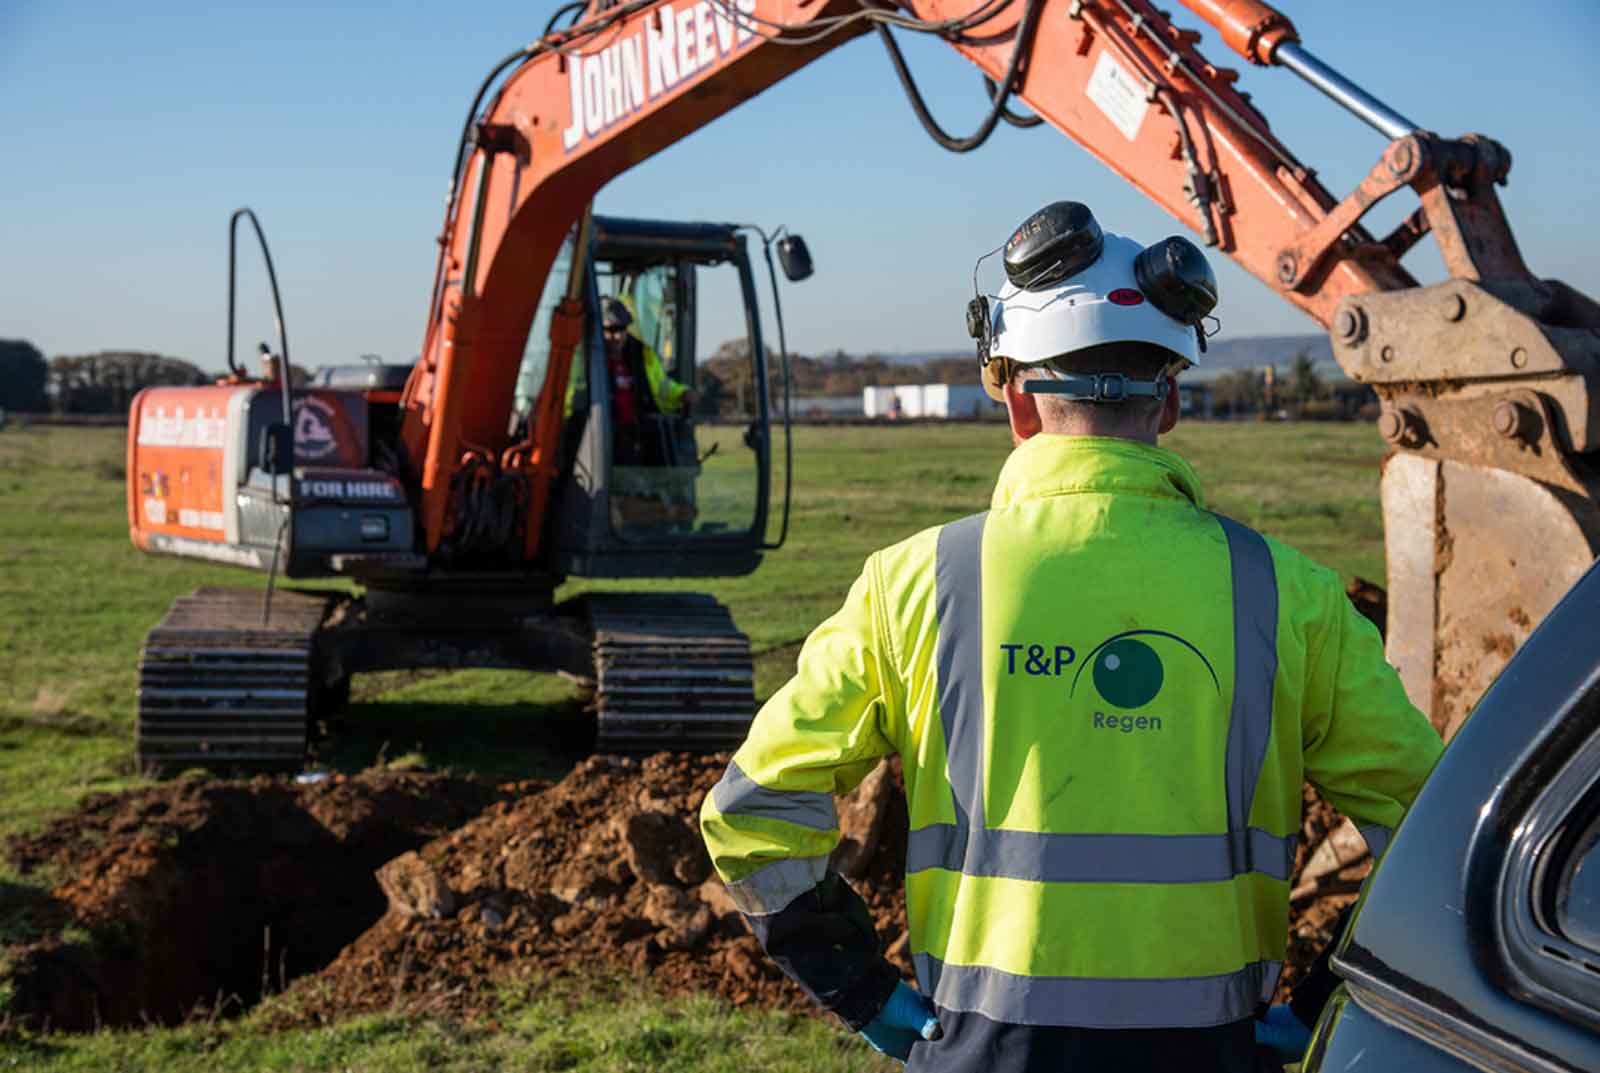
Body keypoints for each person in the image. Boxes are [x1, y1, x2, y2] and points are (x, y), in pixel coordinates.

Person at [699, 202, 1443, 1073]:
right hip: (1218, 1053)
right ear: (1169, 400)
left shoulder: (912, 584)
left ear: (1016, 399)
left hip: (981, 1050)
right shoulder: (1292, 595)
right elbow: (1431, 826)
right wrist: (1323, 998)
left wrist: (866, 995)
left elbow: (751, 809)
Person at [598, 295, 695, 464]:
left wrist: (681, 393)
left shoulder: (643, 355)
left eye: (621, 329)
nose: (617, 337)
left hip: (637, 439)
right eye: (610, 330)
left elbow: (661, 387)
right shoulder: (585, 360)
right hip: (599, 442)